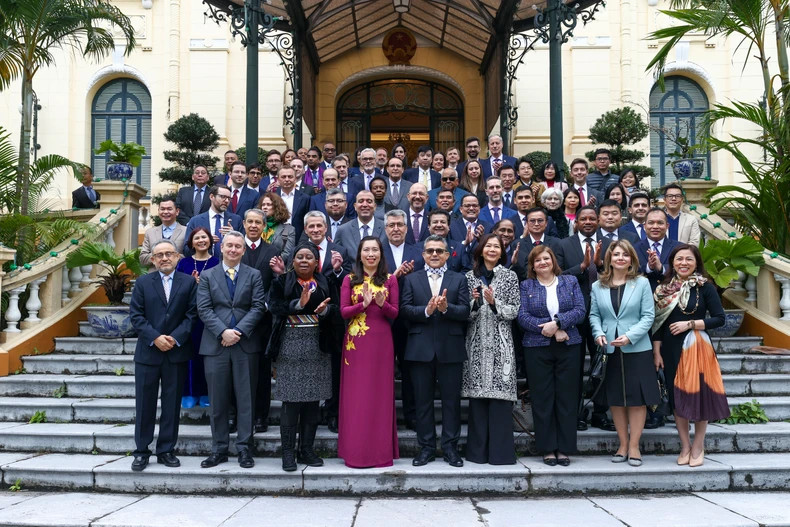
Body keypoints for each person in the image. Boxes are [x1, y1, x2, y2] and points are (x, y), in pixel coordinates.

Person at [653, 244, 728, 467]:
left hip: (698, 348)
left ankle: (698, 445)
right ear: (672, 262)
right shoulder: (663, 289)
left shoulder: (706, 288)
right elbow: (657, 324)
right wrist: (656, 351)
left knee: (699, 397)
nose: (683, 263)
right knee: (678, 399)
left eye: (689, 259)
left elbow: (720, 318)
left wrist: (691, 324)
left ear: (696, 263)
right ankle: (685, 445)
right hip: (670, 349)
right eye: (679, 259)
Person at [197, 231, 266, 469]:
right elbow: (204, 309)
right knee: (218, 400)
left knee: (246, 399)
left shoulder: (254, 275)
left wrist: (237, 332)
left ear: (244, 250)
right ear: (222, 248)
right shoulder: (207, 276)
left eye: (238, 246)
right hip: (215, 345)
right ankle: (219, 449)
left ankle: (245, 448)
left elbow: (258, 307)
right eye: (229, 246)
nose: (233, 250)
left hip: (245, 344)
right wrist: (223, 332)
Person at [401, 235, 471, 467]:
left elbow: (464, 312)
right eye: (429, 250)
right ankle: (427, 448)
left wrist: (446, 308)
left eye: (439, 251)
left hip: (450, 349)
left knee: (452, 402)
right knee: (423, 402)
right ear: (422, 255)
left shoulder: (459, 279)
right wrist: (428, 311)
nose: (434, 254)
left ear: (447, 254)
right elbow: (405, 310)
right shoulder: (412, 279)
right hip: (420, 349)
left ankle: (451, 448)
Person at [129, 240, 197, 472]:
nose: (164, 258)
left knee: (171, 405)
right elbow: (136, 316)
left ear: (178, 257)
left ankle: (166, 450)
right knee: (144, 404)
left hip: (175, 353)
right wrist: (155, 337)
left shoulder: (188, 283)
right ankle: (141, 451)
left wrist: (175, 338)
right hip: (148, 353)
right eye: (159, 255)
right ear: (153, 259)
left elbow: (192, 315)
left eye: (169, 254)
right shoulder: (142, 283)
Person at [267, 243, 336, 471]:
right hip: (290, 345)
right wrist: (298, 304)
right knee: (291, 402)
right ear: (292, 261)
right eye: (299, 257)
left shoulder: (326, 282)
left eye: (309, 257)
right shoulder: (281, 282)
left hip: (318, 345)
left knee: (312, 402)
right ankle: (288, 453)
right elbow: (274, 307)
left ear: (317, 262)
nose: (304, 260)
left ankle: (306, 449)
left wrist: (326, 311)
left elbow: (337, 310)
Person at [590, 240, 657, 467]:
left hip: (637, 348)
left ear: (631, 259)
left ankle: (635, 446)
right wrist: (598, 333)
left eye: (625, 255)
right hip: (609, 347)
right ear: (609, 258)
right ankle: (622, 444)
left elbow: (649, 316)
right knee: (616, 399)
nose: (620, 258)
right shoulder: (598, 286)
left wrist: (630, 336)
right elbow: (594, 315)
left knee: (637, 399)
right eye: (616, 254)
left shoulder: (641, 283)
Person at [518, 245, 586, 466]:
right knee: (543, 397)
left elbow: (579, 309)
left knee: (566, 397)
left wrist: (558, 324)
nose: (542, 263)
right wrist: (546, 329)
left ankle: (564, 449)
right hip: (537, 347)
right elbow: (522, 316)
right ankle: (547, 448)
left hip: (568, 344)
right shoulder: (526, 285)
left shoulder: (570, 282)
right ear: (532, 266)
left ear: (553, 261)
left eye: (546, 258)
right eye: (537, 260)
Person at [338, 237, 400, 467]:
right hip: (355, 344)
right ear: (360, 253)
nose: (371, 254)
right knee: (357, 396)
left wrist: (382, 304)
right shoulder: (349, 279)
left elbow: (394, 313)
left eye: (375, 250)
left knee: (379, 395)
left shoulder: (391, 280)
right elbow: (344, 312)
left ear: (381, 254)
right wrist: (362, 305)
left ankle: (379, 453)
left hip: (381, 342)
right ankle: (355, 452)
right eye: (367, 250)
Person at [462, 233, 520, 465]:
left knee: (499, 400)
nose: (492, 250)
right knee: (477, 400)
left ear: (502, 251)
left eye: (497, 246)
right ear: (481, 250)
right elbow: (463, 313)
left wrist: (496, 304)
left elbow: (515, 310)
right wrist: (475, 302)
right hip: (475, 343)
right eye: (488, 246)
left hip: (501, 344)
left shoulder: (509, 276)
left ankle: (501, 455)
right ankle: (476, 454)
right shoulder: (469, 277)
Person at [382, 210, 424, 431]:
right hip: (383, 319)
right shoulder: (376, 252)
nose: (396, 228)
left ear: (407, 228)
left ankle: (412, 415)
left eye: (400, 224)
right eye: (391, 225)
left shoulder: (418, 252)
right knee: (382, 371)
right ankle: (384, 418)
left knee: (410, 371)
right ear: (385, 228)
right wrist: (394, 277)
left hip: (409, 320)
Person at [175, 227, 219, 408]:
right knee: (189, 355)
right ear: (191, 242)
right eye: (197, 238)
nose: (201, 240)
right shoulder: (183, 263)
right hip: (188, 315)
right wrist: (191, 284)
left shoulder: (217, 262)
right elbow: (177, 289)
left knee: (206, 357)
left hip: (210, 316)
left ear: (210, 240)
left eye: (204, 237)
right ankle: (188, 393)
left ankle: (206, 393)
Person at [183, 184, 243, 258]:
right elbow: (186, 250)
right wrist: (204, 242)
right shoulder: (196, 221)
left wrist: (233, 235)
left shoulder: (236, 220)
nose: (226, 201)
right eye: (223, 197)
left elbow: (243, 248)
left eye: (229, 198)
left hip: (229, 265)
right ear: (211, 197)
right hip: (204, 266)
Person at [334, 190, 386, 259]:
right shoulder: (343, 230)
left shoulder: (386, 228)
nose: (364, 205)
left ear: (375, 206)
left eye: (369, 201)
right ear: (355, 206)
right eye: (361, 201)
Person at [139, 198, 187, 268]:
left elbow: (190, 256)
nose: (165, 212)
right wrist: (159, 255)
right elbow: (143, 258)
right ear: (158, 211)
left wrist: (171, 256)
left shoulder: (186, 231)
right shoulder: (150, 233)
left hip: (179, 275)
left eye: (169, 209)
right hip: (154, 276)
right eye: (162, 209)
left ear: (177, 211)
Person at [258, 192, 296, 264]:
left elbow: (287, 253)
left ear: (277, 207)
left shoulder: (289, 230)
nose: (265, 207)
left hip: (276, 269)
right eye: (263, 205)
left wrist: (271, 263)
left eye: (268, 205)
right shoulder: (256, 227)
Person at [275, 165, 311, 238]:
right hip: (275, 238)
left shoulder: (305, 198)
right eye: (283, 177)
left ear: (295, 179)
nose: (287, 179)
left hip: (298, 238)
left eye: (290, 177)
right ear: (278, 179)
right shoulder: (271, 197)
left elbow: (308, 221)